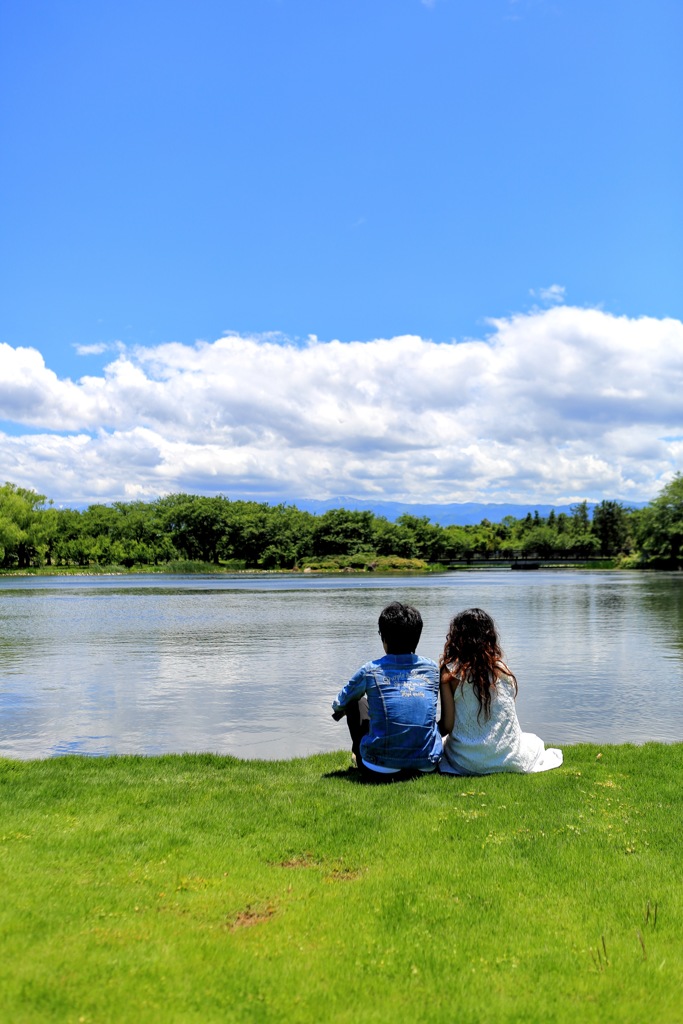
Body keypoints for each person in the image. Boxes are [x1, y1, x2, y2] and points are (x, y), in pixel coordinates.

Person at [438, 608, 562, 776]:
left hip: (466, 762)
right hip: (508, 758)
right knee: (533, 741)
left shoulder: (450, 673)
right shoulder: (501, 670)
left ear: (456, 638)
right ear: (489, 637)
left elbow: (447, 725)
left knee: (445, 744)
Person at [332, 602, 442, 782]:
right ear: (417, 637)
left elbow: (339, 703)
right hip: (427, 763)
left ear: (384, 638)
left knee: (356, 702)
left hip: (379, 767)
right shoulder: (432, 670)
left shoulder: (371, 670)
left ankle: (358, 753)